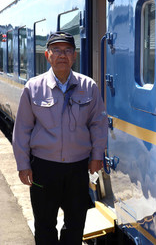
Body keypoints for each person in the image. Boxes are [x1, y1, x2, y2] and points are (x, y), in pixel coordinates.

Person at [12, 31, 108, 245]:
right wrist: (23, 164)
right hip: (43, 169)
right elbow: (22, 130)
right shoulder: (33, 88)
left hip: (77, 168)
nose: (62, 55)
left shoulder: (89, 87)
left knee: (75, 224)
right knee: (44, 224)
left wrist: (97, 156)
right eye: (56, 50)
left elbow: (98, 124)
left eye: (67, 50)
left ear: (74, 56)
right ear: (47, 55)